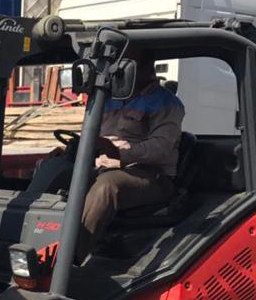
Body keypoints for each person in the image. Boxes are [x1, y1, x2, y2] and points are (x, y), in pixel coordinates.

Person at [74, 49, 185, 264]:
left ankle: (69, 260)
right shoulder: (108, 99)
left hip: (151, 175)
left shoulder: (166, 103)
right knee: (55, 169)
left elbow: (161, 148)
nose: (115, 71)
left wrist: (120, 153)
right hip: (104, 166)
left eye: (123, 65)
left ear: (144, 68)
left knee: (107, 186)